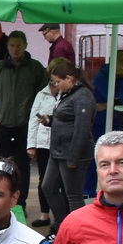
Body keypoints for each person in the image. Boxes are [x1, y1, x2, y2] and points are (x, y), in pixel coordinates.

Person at [0, 30, 48, 205]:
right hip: (2, 123)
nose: (15, 49)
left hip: (25, 124)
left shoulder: (35, 68)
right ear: (7, 46)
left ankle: (21, 202)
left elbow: (43, 96)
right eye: (12, 45)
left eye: (18, 45)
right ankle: (3, 199)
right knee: (2, 164)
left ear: (25, 46)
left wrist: (35, 119)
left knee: (23, 165)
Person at [40, 60, 95, 225]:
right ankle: (62, 223)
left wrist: (73, 157)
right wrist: (49, 121)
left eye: (58, 81)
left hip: (72, 152)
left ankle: (78, 230)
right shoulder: (67, 93)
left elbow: (82, 129)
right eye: (54, 82)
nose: (56, 85)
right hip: (57, 151)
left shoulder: (83, 96)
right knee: (48, 187)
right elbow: (66, 119)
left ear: (69, 78)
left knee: (73, 194)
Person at [25, 70, 59, 229]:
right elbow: (33, 119)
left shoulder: (66, 94)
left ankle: (62, 215)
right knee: (43, 180)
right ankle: (44, 214)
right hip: (43, 142)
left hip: (60, 142)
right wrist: (31, 145)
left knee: (60, 181)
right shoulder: (42, 94)